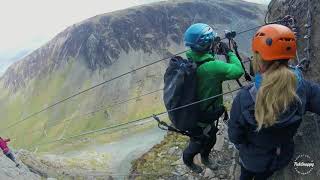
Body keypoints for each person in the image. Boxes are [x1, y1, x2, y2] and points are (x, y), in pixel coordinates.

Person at [228, 24, 320, 180]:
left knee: (245, 176)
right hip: (280, 156)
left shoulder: (244, 99)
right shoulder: (305, 88)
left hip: (252, 159)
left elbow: (235, 136)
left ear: (258, 58)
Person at [182, 23, 244, 173]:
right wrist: (229, 52)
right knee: (197, 143)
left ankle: (205, 158)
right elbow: (238, 71)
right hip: (202, 116)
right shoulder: (212, 67)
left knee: (210, 138)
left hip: (196, 113)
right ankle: (189, 161)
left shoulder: (190, 60)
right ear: (207, 44)